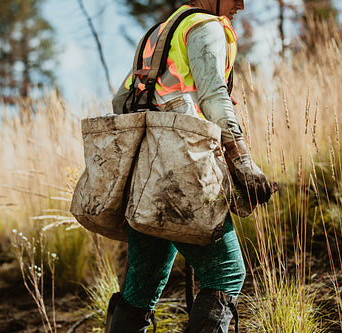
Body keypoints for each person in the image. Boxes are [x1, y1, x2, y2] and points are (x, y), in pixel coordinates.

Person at [109, 0, 272, 332]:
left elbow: (120, 101)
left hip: (144, 177)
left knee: (141, 288)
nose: (241, 4)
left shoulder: (158, 32)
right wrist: (242, 161)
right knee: (226, 272)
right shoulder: (207, 26)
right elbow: (214, 97)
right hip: (184, 172)